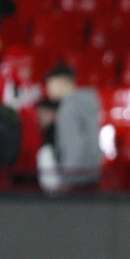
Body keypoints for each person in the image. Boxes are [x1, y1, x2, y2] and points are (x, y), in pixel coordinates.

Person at [39, 63, 101, 191]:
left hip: (74, 179)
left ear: (62, 81)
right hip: (91, 174)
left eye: (50, 84)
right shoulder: (88, 102)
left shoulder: (68, 108)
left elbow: (73, 145)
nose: (47, 89)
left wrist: (67, 179)